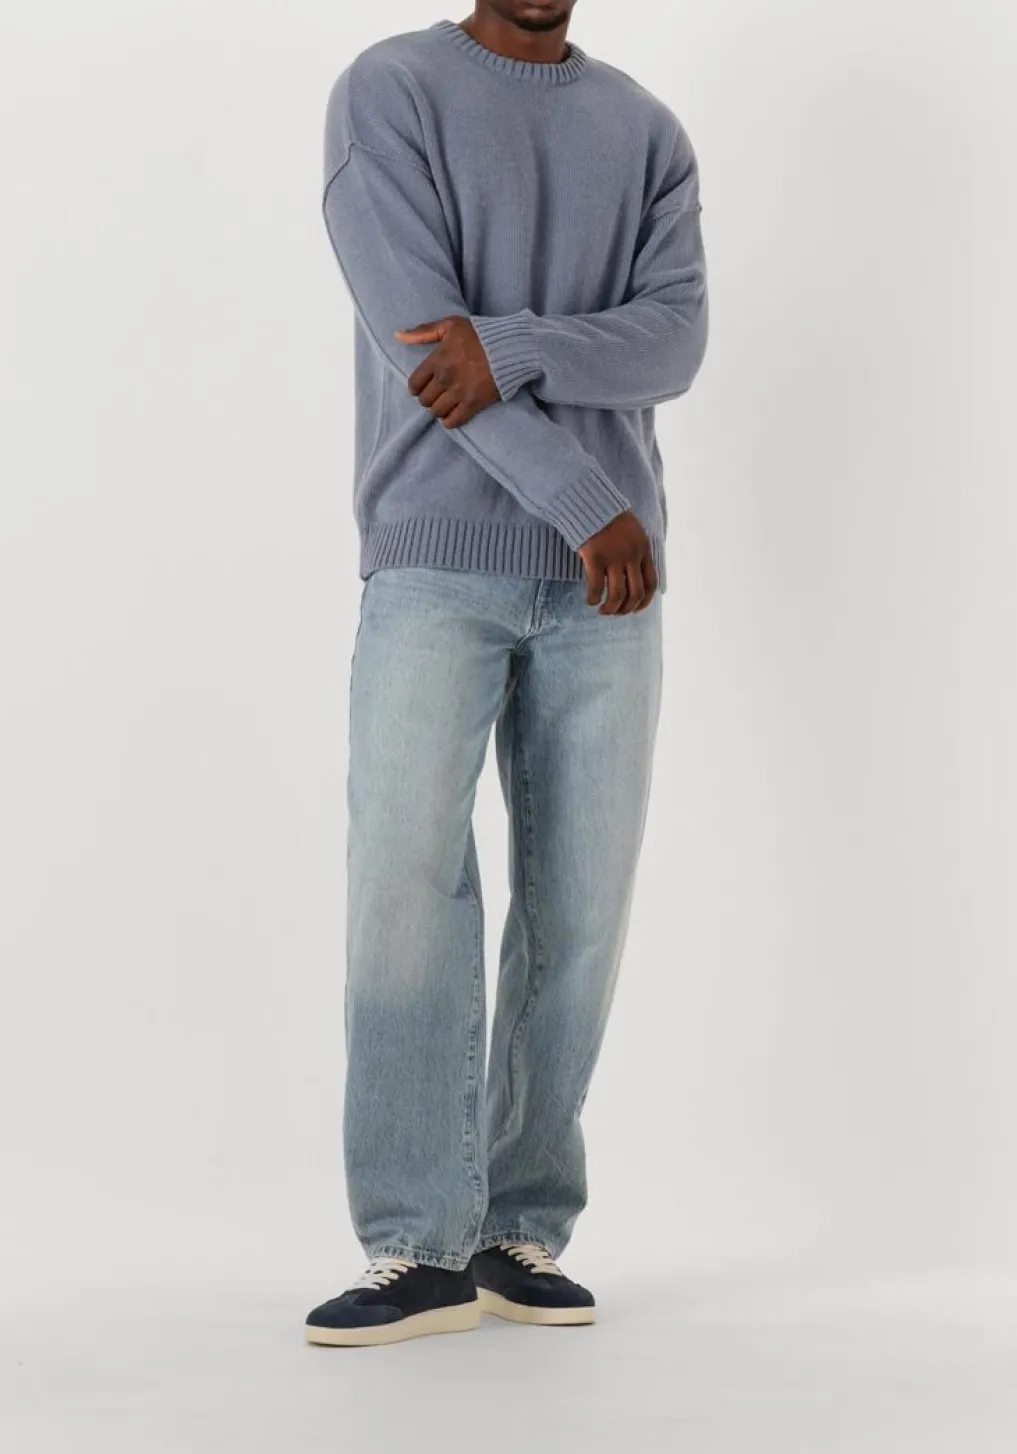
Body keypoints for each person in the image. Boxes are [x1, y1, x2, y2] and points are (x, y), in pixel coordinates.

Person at [305, 1, 708, 1347]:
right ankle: (413, 1243)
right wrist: (591, 501)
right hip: (444, 560)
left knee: (581, 904)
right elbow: (428, 349)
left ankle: (517, 1226)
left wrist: (519, 346)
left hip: (610, 589)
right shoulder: (390, 92)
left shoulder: (645, 131)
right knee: (407, 888)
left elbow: (675, 340)